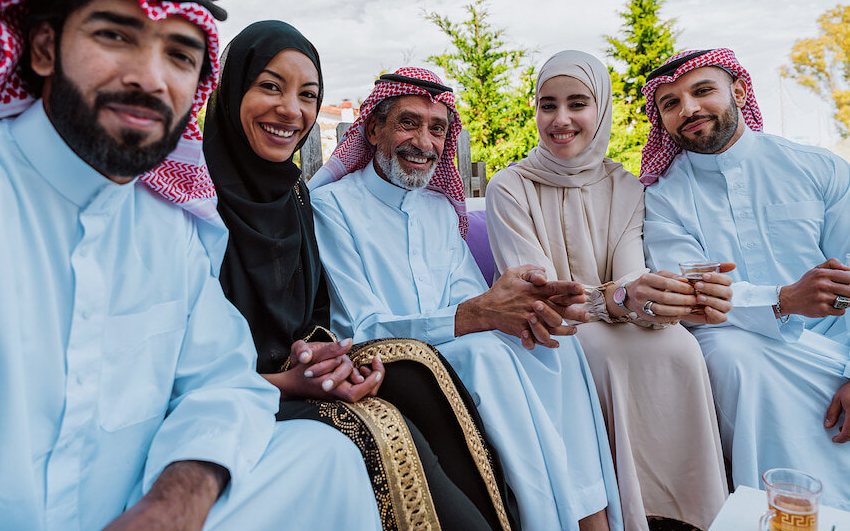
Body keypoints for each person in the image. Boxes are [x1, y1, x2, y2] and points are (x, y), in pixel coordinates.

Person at [0, 0, 381, 530]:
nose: (152, 78)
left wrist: (175, 503)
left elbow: (223, 384)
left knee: (328, 458)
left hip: (138, 506)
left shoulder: (168, 219)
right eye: (116, 36)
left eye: (180, 55)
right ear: (44, 48)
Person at [203, 20, 515, 531]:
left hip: (305, 383)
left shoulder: (293, 199)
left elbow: (311, 321)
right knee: (391, 430)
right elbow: (183, 354)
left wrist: (314, 357)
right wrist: (288, 379)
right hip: (236, 397)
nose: (291, 110)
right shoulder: (191, 198)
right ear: (234, 87)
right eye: (269, 86)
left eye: (307, 95)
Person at [309, 67, 625, 531]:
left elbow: (472, 298)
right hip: (387, 358)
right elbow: (363, 324)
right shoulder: (332, 207)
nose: (425, 141)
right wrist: (476, 314)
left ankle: (589, 515)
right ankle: (544, 520)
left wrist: (526, 303)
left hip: (458, 340)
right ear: (374, 130)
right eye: (409, 123)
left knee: (554, 341)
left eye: (438, 129)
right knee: (487, 355)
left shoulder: (439, 208)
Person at [485, 50, 729, 531]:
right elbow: (542, 295)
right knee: (594, 351)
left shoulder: (625, 184)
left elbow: (632, 274)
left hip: (618, 316)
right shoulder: (508, 186)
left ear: (601, 110)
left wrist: (652, 298)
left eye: (577, 103)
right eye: (547, 104)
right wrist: (621, 299)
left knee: (679, 348)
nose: (560, 119)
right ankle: (624, 516)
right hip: (551, 332)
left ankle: (688, 515)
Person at [640, 48, 850, 510]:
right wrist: (784, 299)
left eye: (702, 90)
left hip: (839, 345)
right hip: (736, 340)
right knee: (733, 356)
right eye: (670, 103)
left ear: (737, 90)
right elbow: (695, 295)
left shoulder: (817, 166)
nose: (688, 109)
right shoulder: (664, 198)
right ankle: (783, 510)